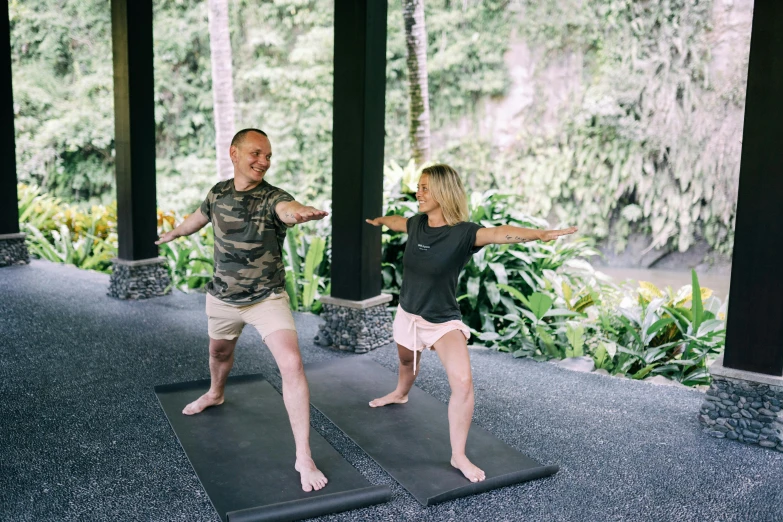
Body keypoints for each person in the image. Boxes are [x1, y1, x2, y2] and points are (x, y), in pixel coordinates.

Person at [365, 164, 577, 483]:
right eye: (418, 187)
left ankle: (458, 454)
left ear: (444, 191)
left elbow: (499, 232)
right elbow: (399, 224)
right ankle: (400, 392)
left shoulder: (465, 233)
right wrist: (382, 221)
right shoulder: (418, 223)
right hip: (408, 312)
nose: (418, 193)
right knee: (407, 363)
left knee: (463, 383)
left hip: (442, 321)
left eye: (425, 188)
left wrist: (538, 235)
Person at [155, 128, 329, 492]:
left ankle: (304, 456)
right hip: (222, 297)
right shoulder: (218, 192)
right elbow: (197, 218)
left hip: (266, 299)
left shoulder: (273, 198)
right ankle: (216, 392)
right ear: (234, 153)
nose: (263, 161)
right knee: (219, 352)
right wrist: (175, 234)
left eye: (268, 156)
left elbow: (287, 209)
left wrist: (299, 214)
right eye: (256, 153)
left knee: (292, 364)